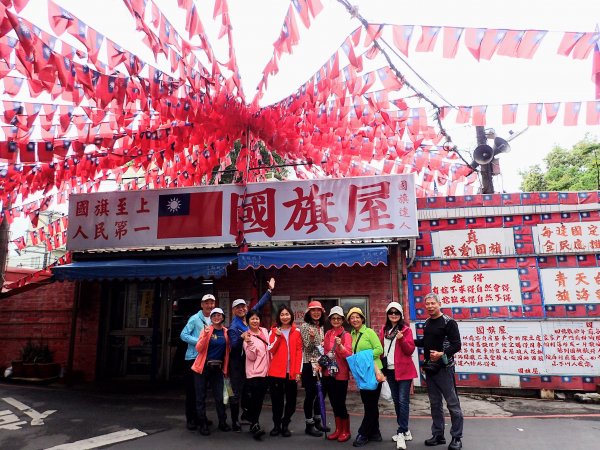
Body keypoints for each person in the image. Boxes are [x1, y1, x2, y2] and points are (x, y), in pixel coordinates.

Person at [415, 292, 463, 450]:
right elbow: (425, 342)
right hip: (430, 369)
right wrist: (407, 339)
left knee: (452, 403)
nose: (429, 306)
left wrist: (442, 354)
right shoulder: (427, 322)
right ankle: (438, 434)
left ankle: (456, 437)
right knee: (435, 403)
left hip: (445, 368)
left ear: (439, 304)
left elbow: (457, 345)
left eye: (432, 303)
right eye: (427, 304)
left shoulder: (449, 322)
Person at [228, 277, 275, 431]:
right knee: (235, 392)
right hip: (237, 364)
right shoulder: (234, 326)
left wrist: (269, 291)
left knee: (250, 392)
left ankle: (247, 415)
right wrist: (241, 339)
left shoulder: (250, 320)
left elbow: (259, 304)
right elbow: (233, 348)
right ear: (233, 310)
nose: (242, 309)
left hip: (251, 363)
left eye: (243, 307)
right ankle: (235, 420)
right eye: (238, 308)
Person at [379, 302, 417, 450]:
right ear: (387, 314)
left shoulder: (405, 330)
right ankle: (406, 429)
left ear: (400, 315)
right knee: (396, 401)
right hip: (389, 370)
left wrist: (401, 339)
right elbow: (381, 349)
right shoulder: (384, 329)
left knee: (403, 401)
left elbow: (409, 351)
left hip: (404, 371)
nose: (393, 315)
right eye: (391, 312)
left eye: (396, 313)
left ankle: (401, 432)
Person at [347, 306, 384, 448]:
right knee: (369, 403)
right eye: (352, 317)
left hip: (374, 372)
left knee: (370, 405)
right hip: (362, 374)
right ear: (349, 320)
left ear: (362, 318)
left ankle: (363, 433)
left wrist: (363, 358)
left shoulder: (369, 332)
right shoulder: (351, 334)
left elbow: (379, 349)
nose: (355, 319)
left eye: (357, 317)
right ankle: (375, 433)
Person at [191, 307, 231, 435]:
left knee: (221, 397)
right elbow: (198, 348)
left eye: (219, 315)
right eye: (214, 315)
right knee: (200, 397)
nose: (216, 317)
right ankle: (202, 423)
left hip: (218, 369)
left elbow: (229, 350)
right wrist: (206, 335)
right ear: (211, 318)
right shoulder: (206, 330)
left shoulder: (226, 332)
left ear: (223, 317)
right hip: (203, 368)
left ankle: (222, 422)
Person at [180, 293, 215, 431]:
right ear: (202, 304)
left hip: (207, 359)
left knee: (202, 392)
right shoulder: (194, 319)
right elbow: (183, 335)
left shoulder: (215, 319)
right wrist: (199, 342)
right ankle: (191, 419)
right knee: (191, 390)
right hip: (193, 358)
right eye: (206, 303)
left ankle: (201, 417)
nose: (209, 305)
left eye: (211, 303)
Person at [267, 305, 302, 437]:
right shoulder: (273, 331)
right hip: (276, 373)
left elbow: (299, 351)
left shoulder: (297, 331)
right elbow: (271, 350)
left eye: (287, 314)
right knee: (277, 401)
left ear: (291, 315)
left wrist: (298, 371)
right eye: (282, 314)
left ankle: (285, 423)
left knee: (292, 402)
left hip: (291, 372)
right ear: (278, 317)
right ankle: (276, 425)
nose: (285, 317)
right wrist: (277, 337)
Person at [322, 306, 352, 442]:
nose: (335, 320)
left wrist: (340, 346)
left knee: (341, 403)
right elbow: (325, 352)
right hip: (328, 373)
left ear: (342, 320)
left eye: (338, 318)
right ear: (330, 319)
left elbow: (349, 354)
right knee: (333, 403)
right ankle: (338, 429)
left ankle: (346, 431)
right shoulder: (327, 333)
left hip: (341, 374)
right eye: (333, 318)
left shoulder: (346, 335)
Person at [300, 300, 328, 437]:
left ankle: (318, 421)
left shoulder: (321, 327)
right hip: (309, 364)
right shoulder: (305, 326)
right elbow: (308, 348)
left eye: (318, 310)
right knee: (310, 395)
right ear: (309, 313)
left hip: (320, 364)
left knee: (320, 394)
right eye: (313, 310)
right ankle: (309, 424)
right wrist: (311, 339)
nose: (316, 313)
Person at [243, 310, 271, 440]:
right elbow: (251, 356)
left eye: (257, 318)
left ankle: (253, 421)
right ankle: (254, 424)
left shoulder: (264, 331)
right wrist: (249, 343)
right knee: (255, 400)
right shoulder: (246, 336)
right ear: (248, 321)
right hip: (254, 373)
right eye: (252, 319)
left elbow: (269, 348)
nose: (255, 321)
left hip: (265, 372)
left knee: (259, 400)